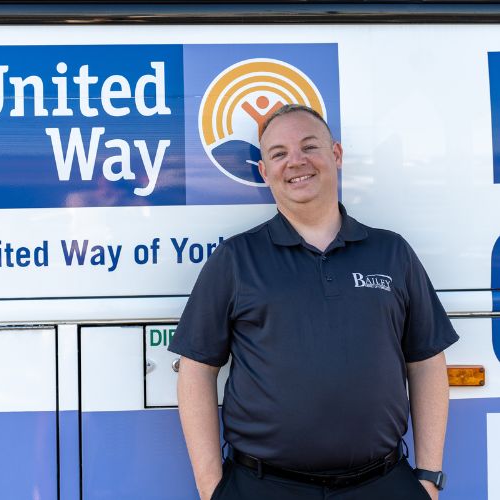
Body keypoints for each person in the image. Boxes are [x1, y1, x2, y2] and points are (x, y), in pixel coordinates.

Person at [168, 104, 458, 500]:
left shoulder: (392, 253)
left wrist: (427, 477)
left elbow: (426, 362)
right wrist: (211, 488)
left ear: (335, 155)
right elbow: (196, 369)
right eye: (279, 154)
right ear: (263, 172)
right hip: (263, 487)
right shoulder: (236, 259)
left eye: (309, 146)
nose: (296, 162)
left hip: (383, 484)